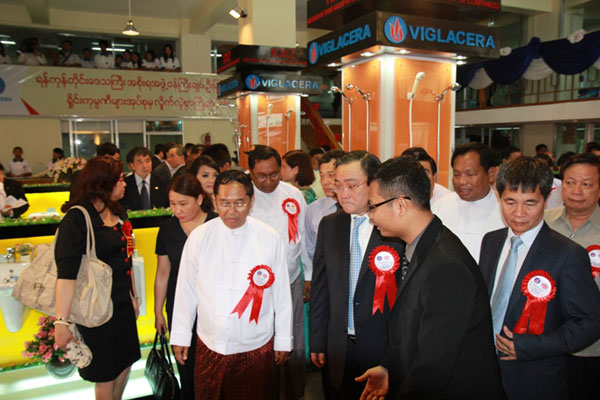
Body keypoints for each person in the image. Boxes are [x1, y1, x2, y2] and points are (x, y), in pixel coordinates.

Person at [356, 157, 504, 399]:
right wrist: (389, 367)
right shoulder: (419, 247)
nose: (371, 216)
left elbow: (433, 366)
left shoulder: (446, 266)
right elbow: (411, 326)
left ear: (401, 205)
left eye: (373, 207)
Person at [479, 157, 600, 400]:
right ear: (499, 196)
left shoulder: (567, 254)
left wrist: (529, 346)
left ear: (547, 199)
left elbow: (591, 323)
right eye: (510, 202)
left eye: (530, 203)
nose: (519, 213)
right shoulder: (491, 241)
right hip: (484, 372)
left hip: (534, 378)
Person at [170, 170, 293, 399]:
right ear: (215, 200)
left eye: (240, 203)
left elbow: (282, 295)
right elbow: (185, 291)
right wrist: (180, 335)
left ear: (251, 201)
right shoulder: (199, 237)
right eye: (225, 203)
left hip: (256, 344)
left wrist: (283, 340)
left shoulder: (269, 237)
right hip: (210, 342)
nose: (232, 211)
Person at [310, 151, 404, 399]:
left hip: (382, 349)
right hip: (337, 348)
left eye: (351, 186)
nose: (343, 194)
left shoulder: (395, 228)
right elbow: (321, 287)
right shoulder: (330, 225)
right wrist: (317, 340)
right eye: (338, 186)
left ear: (374, 183)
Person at [54, 156, 140, 399]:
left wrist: (133, 296)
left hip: (121, 305)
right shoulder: (78, 218)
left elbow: (128, 257)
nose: (124, 184)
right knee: (105, 373)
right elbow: (66, 275)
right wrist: (61, 322)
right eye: (119, 180)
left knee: (126, 362)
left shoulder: (118, 211)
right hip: (96, 310)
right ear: (103, 184)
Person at [247, 146, 310, 400]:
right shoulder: (244, 195)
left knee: (292, 339)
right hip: (254, 286)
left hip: (291, 279)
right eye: (261, 176)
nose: (268, 181)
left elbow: (303, 237)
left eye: (274, 174)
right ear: (251, 172)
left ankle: (293, 393)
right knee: (260, 340)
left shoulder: (293, 195)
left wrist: (308, 274)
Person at [154, 174, 217, 399]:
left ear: (199, 199)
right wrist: (158, 311)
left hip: (212, 305)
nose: (177, 210)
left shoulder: (216, 225)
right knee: (186, 364)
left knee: (213, 364)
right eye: (172, 204)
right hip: (179, 305)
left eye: (183, 203)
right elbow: (163, 272)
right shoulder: (167, 229)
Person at [544, 153, 600, 399]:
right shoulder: (543, 222)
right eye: (570, 182)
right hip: (545, 343)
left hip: (593, 349)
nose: (576, 191)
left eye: (586, 184)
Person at [432, 142, 505, 261]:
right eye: (456, 174)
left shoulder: (505, 211)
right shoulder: (439, 207)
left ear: (491, 174)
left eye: (470, 174)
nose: (462, 181)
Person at [305, 150, 345, 262]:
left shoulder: (358, 207)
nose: (325, 182)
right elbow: (311, 249)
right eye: (321, 176)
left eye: (331, 175)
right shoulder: (313, 209)